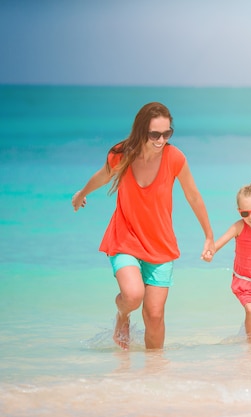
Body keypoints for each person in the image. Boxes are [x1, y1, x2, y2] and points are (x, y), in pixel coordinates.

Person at [71, 102, 215, 350]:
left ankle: (153, 373)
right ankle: (123, 315)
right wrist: (82, 193)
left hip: (160, 244)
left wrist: (209, 235)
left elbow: (193, 195)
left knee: (155, 317)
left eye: (167, 133)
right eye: (154, 134)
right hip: (125, 237)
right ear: (141, 131)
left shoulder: (175, 158)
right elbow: (104, 174)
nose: (161, 140)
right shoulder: (122, 154)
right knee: (133, 295)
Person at [203, 181, 251, 343]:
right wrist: (210, 252)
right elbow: (219, 243)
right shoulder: (239, 227)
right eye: (245, 214)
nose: (250, 217)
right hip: (244, 281)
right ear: (239, 212)